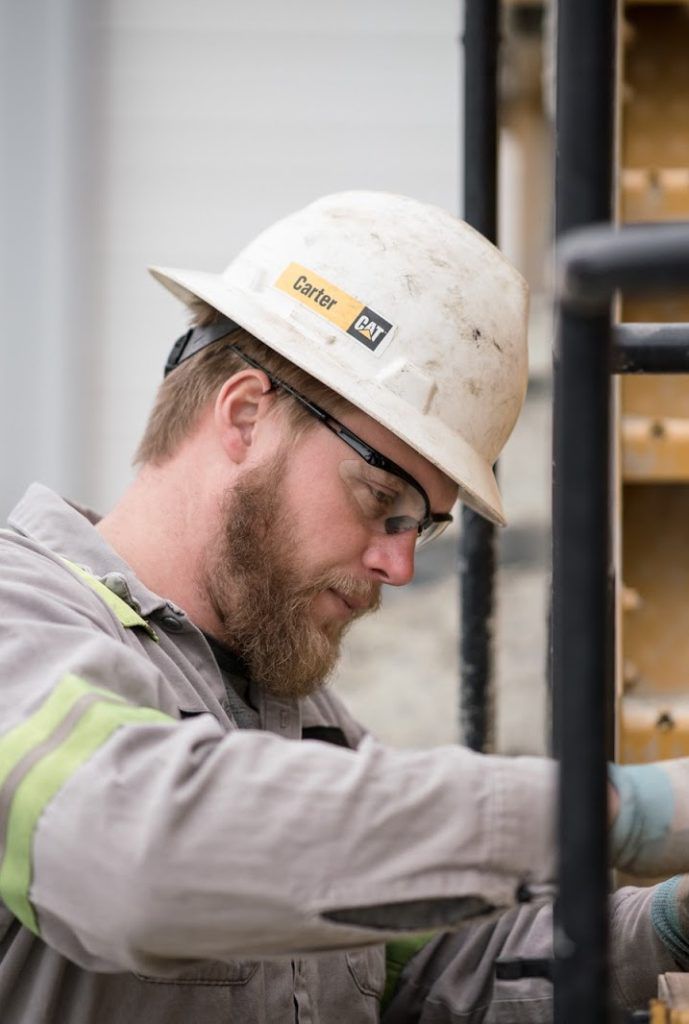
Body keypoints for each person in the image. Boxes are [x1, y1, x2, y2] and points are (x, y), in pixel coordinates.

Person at [0, 191, 687, 1024]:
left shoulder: (287, 710)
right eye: (380, 496)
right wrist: (603, 812)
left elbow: (439, 962)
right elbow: (131, 854)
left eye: (422, 528)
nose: (398, 565)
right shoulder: (21, 623)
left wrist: (663, 929)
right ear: (247, 413)